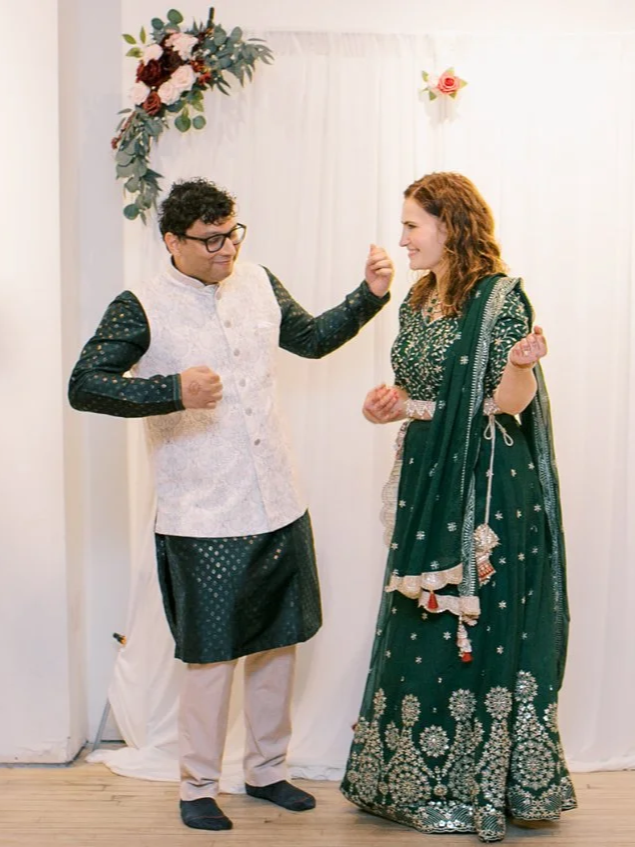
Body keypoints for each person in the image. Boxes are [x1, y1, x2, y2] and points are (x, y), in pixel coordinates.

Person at [69, 178, 393, 831]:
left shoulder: (259, 282)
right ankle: (197, 784)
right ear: (173, 241)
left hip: (277, 497)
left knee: (279, 640)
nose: (226, 249)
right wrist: (171, 390)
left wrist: (369, 294)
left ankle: (266, 771)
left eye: (232, 234)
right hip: (200, 512)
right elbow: (86, 385)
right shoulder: (140, 305)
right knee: (211, 655)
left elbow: (311, 338)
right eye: (211, 240)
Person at [340, 172, 576, 842]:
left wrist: (522, 364)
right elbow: (420, 397)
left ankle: (485, 784)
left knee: (485, 622)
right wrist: (385, 406)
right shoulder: (416, 299)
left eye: (412, 224)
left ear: (450, 225)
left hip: (487, 485)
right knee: (421, 619)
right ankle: (411, 779)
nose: (402, 238)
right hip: (426, 476)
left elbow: (507, 403)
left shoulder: (500, 297)